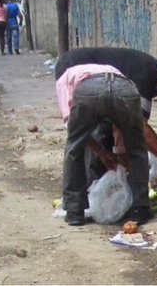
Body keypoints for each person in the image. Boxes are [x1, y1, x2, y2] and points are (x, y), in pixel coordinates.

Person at [55, 47, 157, 183]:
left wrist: (119, 154)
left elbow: (129, 124)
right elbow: (140, 126)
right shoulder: (146, 71)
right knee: (94, 132)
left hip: (102, 86)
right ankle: (89, 187)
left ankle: (104, 184)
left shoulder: (152, 81)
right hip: (74, 67)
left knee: (112, 132)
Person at [56, 63, 151, 226]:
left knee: (74, 149)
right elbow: (121, 127)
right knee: (137, 149)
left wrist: (100, 151)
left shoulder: (63, 80)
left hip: (89, 90)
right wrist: (118, 151)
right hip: (125, 89)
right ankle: (140, 208)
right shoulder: (115, 70)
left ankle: (74, 211)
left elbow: (72, 128)